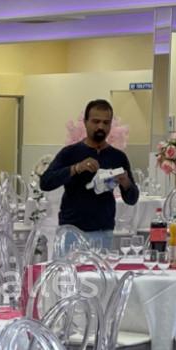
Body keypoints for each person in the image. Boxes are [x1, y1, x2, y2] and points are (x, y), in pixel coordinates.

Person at [39, 99, 138, 250]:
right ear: (85, 122)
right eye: (96, 121)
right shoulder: (70, 153)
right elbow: (46, 182)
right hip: (71, 231)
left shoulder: (118, 157)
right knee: (70, 273)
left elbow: (132, 199)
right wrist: (76, 168)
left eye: (106, 123)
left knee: (99, 273)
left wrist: (126, 183)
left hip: (104, 231)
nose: (101, 127)